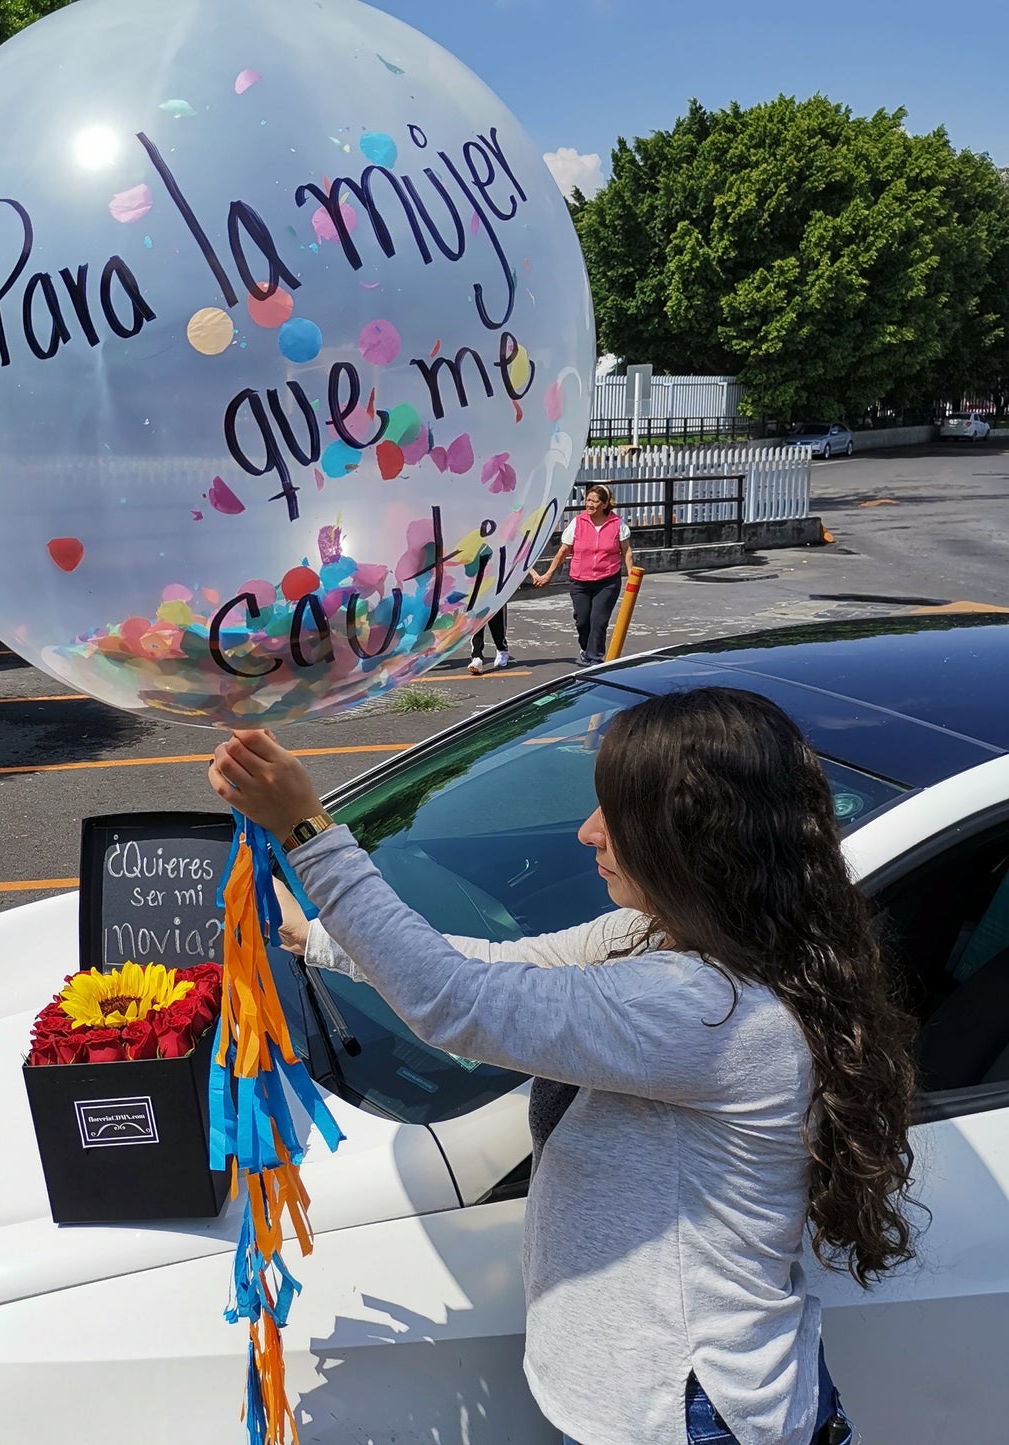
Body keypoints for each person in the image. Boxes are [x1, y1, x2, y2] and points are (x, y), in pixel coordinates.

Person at [208, 689, 921, 1445]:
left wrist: (309, 832)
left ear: (687, 837)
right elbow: (481, 968)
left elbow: (454, 1002)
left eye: (615, 816)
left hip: (685, 1414)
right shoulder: (661, 939)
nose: (586, 833)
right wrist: (313, 936)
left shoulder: (707, 1008)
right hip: (660, 1400)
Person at [531, 483, 635, 665]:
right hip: (580, 581)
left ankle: (595, 658)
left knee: (599, 620)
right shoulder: (578, 522)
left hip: (607, 580)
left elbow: (626, 552)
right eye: (588, 500)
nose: (590, 505)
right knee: (582, 620)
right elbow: (563, 551)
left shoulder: (617, 523)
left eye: (594, 501)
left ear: (604, 504)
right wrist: (548, 574)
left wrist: (632, 577)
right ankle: (586, 648)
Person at [467, 606, 509, 674]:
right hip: (478, 597)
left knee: (497, 623)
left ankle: (502, 650)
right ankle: (476, 657)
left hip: (496, 597)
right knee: (477, 623)